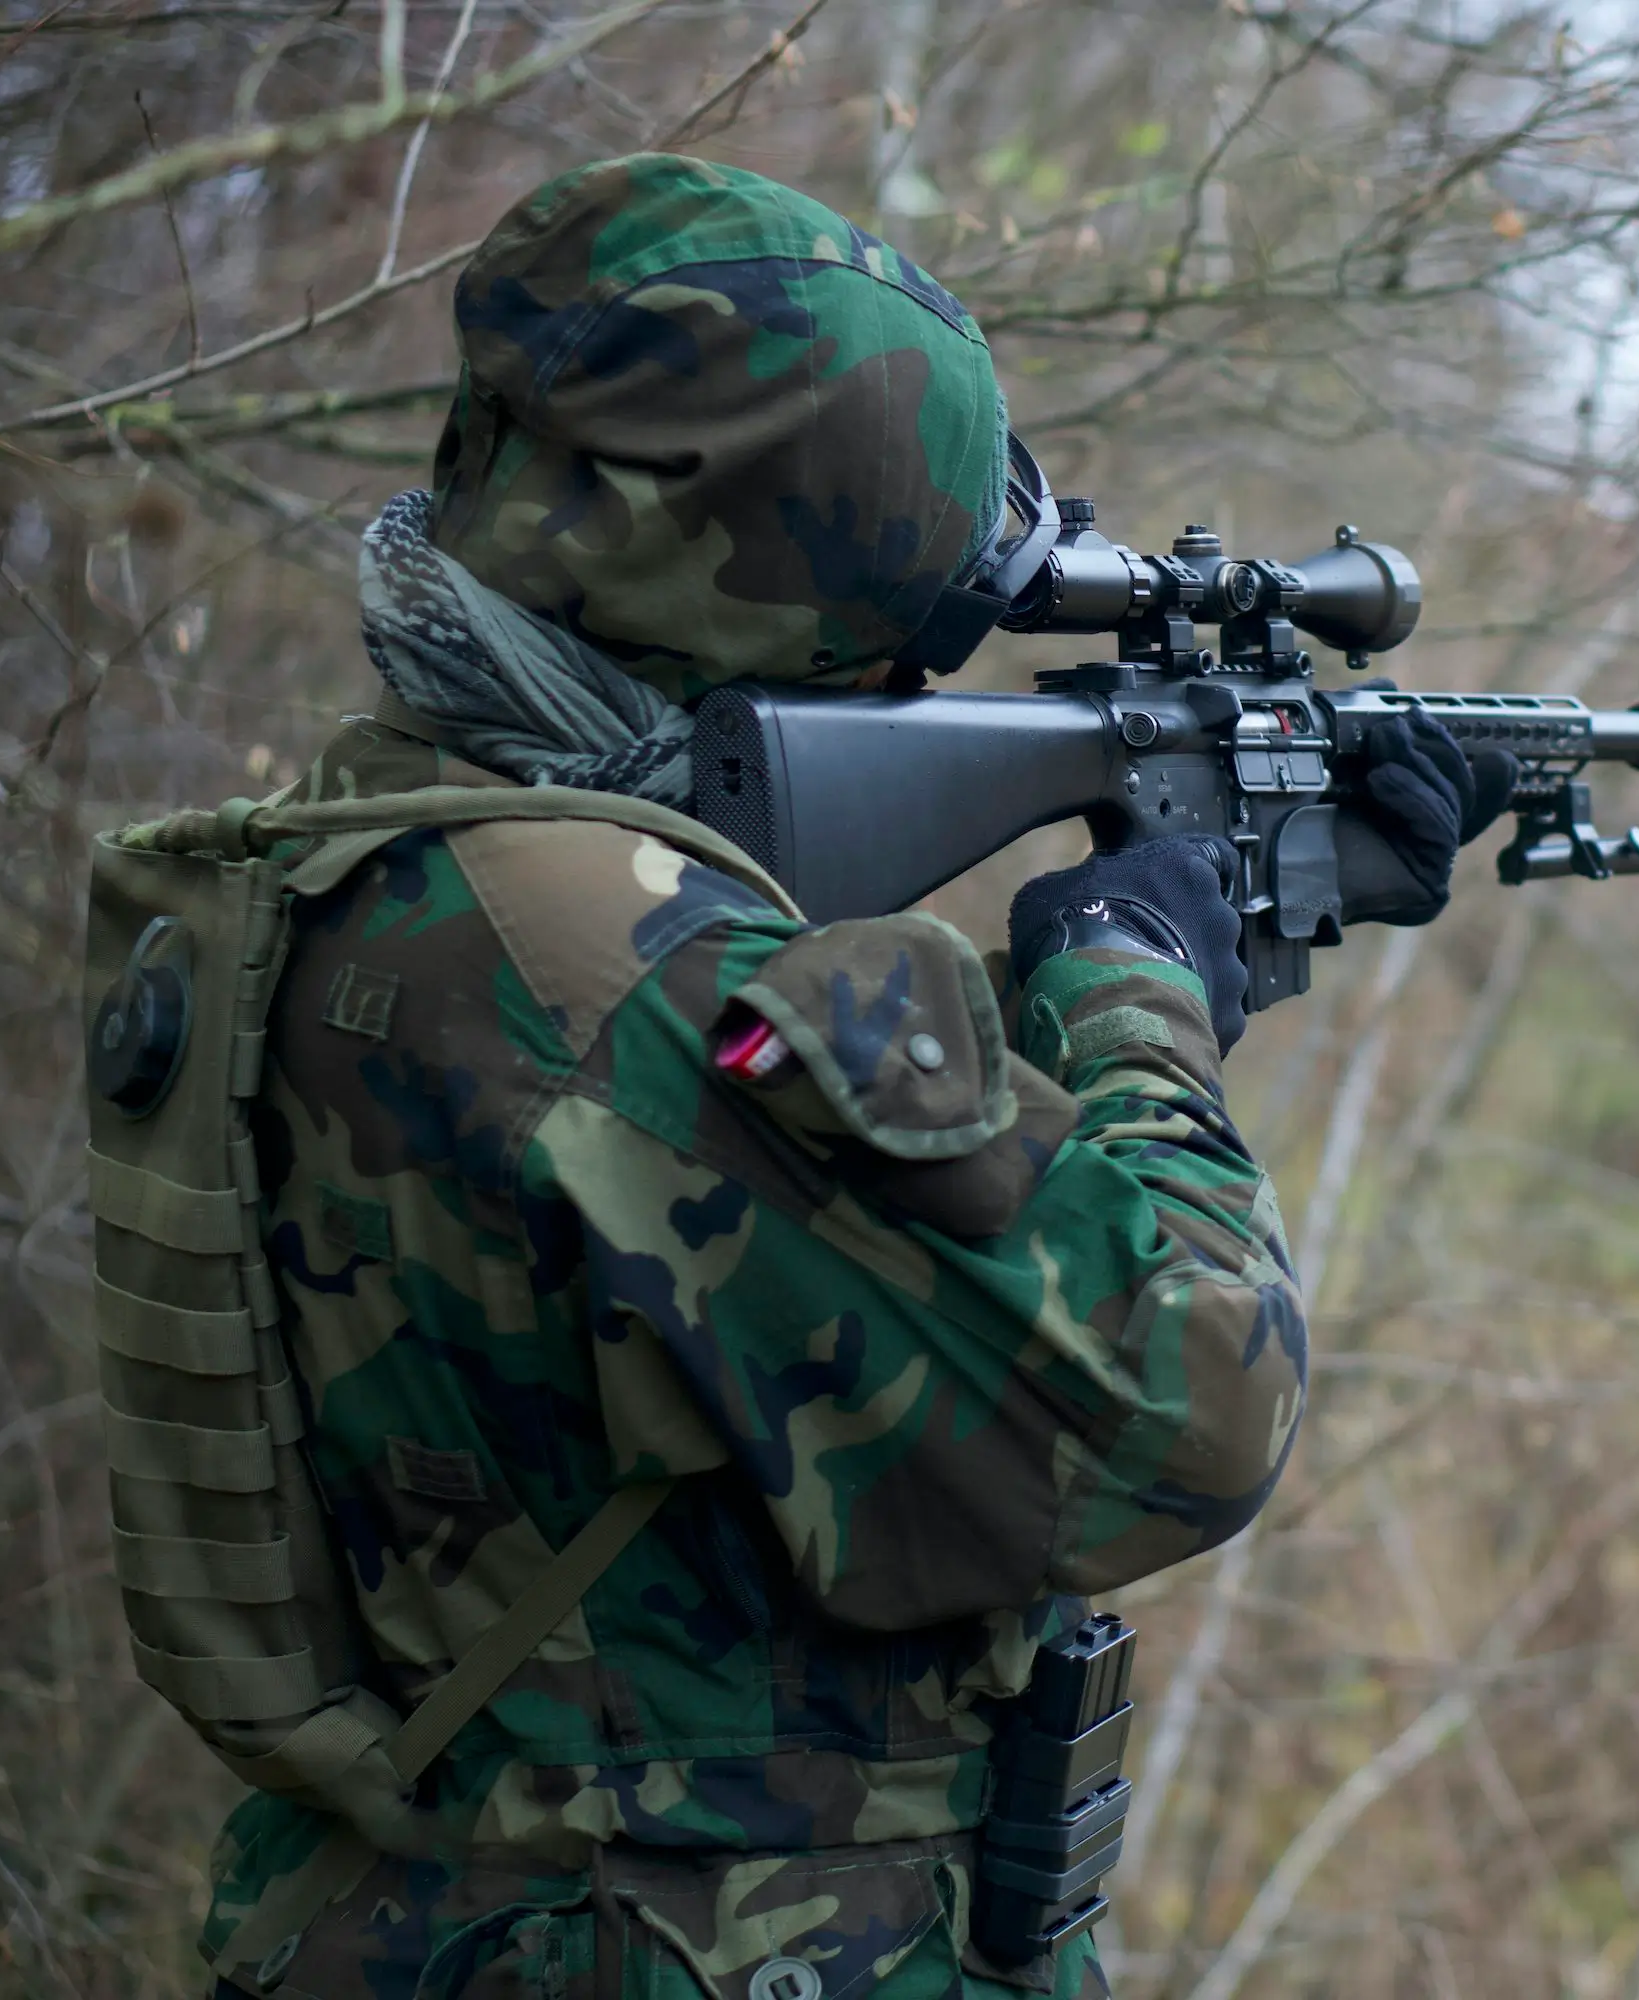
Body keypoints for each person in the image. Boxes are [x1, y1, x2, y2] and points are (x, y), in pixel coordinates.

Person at [184, 153, 1510, 1998]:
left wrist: (1173, 938)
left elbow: (728, 1203)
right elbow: (1190, 1406)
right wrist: (1134, 996)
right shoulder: (621, 970)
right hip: (684, 1942)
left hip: (408, 1915)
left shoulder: (369, 863)